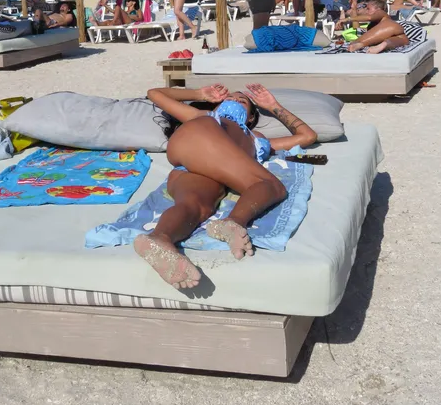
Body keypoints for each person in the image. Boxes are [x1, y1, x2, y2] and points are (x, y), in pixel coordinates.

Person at [135, 83, 318, 289]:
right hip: (199, 136)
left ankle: (160, 239)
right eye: (229, 99)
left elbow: (308, 136)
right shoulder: (205, 115)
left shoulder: (258, 139)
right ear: (217, 106)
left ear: (251, 117)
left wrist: (272, 106)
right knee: (269, 185)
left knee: (197, 206)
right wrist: (199, 94)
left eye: (242, 101)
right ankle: (233, 222)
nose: (235, 101)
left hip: (197, 166)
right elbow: (154, 93)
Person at [341, 0, 410, 54]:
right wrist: (354, 9)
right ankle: (384, 45)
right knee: (403, 40)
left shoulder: (381, 12)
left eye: (368, 9)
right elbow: (357, 29)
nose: (366, 11)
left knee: (356, 43)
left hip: (391, 26)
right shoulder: (372, 24)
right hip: (395, 34)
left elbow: (369, 18)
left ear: (378, 9)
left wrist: (347, 19)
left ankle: (361, 44)